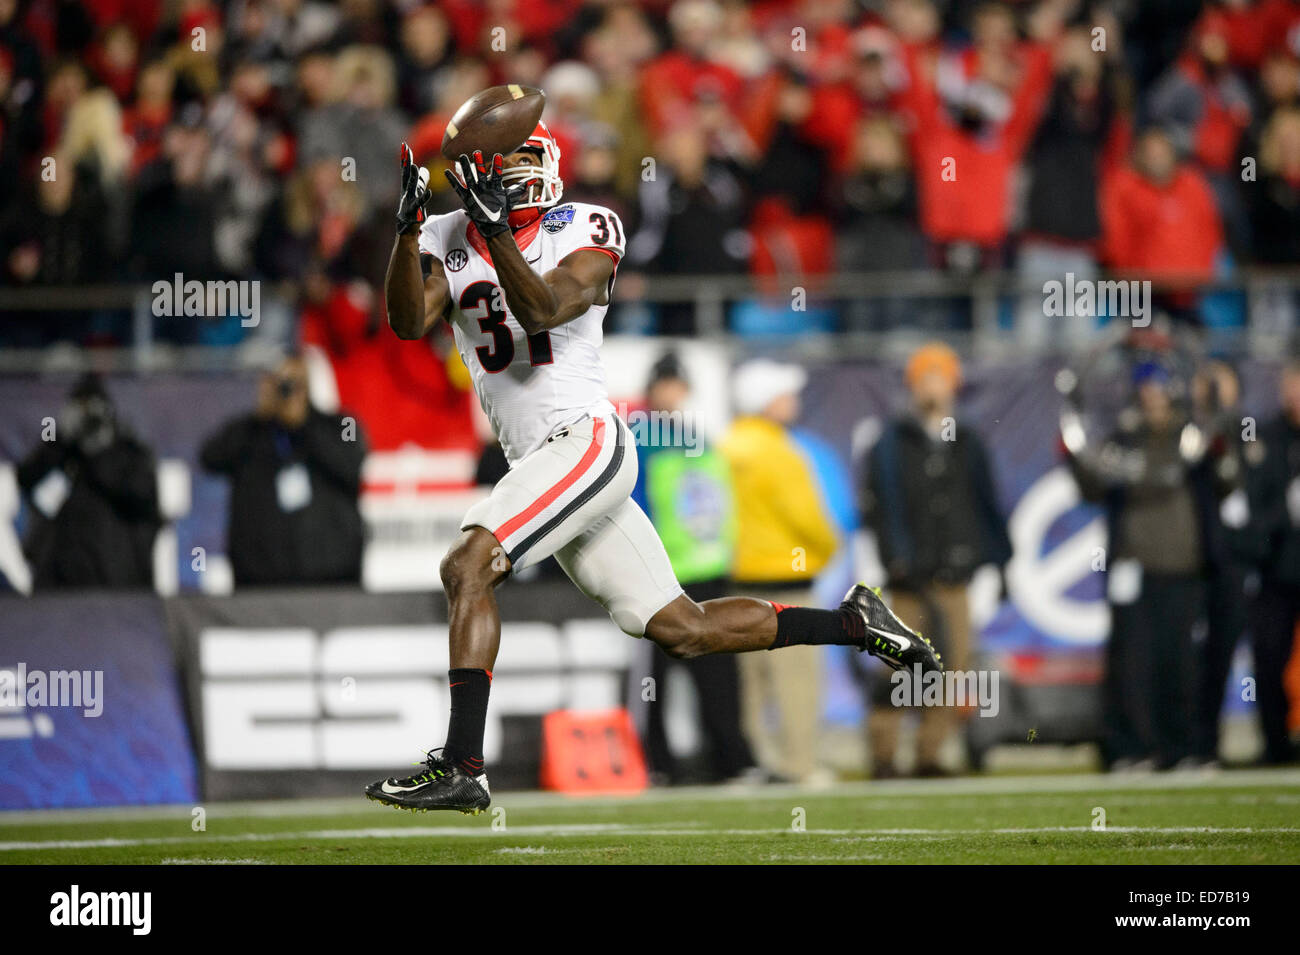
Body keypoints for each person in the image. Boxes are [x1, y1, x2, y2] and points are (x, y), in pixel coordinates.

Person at [372, 120, 939, 814]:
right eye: (508, 155)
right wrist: (406, 233)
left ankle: (462, 763)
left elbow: (545, 307)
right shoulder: (449, 232)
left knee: (468, 563)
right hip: (539, 460)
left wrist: (494, 236)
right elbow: (407, 321)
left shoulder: (587, 221)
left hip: (584, 441)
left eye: (526, 153)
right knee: (683, 627)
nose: (517, 166)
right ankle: (854, 623)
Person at [1066, 361, 1237, 770]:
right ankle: (1132, 748)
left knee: (1183, 664)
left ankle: (1186, 748)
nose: (1153, 398)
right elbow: (1092, 487)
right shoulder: (1122, 442)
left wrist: (1221, 424)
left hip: (1184, 568)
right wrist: (1074, 452)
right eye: (1147, 390)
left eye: (1160, 390)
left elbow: (1226, 482)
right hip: (1134, 569)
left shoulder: (1194, 440)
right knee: (1132, 665)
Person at [861, 343, 1011, 777]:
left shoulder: (968, 439)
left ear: (953, 383)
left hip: (954, 575)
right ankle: (884, 756)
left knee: (952, 669)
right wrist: (896, 558)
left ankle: (930, 754)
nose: (933, 386)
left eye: (939, 376)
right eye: (925, 377)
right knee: (897, 666)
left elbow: (985, 501)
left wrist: (1000, 561)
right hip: (908, 579)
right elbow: (878, 505)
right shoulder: (891, 440)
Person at [631, 352, 759, 784]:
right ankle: (658, 763)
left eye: (677, 386)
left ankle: (729, 759)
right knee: (657, 678)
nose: (672, 394)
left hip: (708, 570)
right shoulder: (638, 437)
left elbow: (719, 502)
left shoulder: (696, 437)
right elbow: (633, 504)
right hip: (662, 574)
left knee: (718, 673)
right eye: (667, 385)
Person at [720, 359, 843, 786]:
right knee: (797, 684)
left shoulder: (724, 448)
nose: (793, 401)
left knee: (750, 686)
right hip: (788, 588)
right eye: (784, 395)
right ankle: (798, 765)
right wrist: (828, 549)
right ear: (766, 403)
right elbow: (809, 520)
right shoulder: (782, 454)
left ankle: (758, 762)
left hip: (736, 584)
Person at [199, 354, 366, 587]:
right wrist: (259, 417)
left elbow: (351, 466)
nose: (287, 391)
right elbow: (210, 457)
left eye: (295, 382)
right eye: (281, 383)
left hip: (331, 577)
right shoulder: (252, 432)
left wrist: (304, 423)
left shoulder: (341, 425)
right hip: (260, 581)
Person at [16, 373, 160, 589]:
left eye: (94, 410)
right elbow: (25, 478)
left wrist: (99, 451)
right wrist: (60, 438)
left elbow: (142, 496)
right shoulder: (61, 449)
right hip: (58, 578)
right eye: (81, 411)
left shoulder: (129, 452)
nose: (88, 420)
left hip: (115, 579)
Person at [1250, 358, 1300, 765]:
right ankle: (1275, 745)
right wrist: (1286, 513)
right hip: (1278, 570)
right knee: (1268, 660)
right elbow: (1253, 511)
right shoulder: (1265, 438)